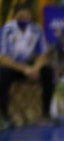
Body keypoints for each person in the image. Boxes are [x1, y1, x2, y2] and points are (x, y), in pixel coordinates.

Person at [0, 0, 55, 129]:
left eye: (27, 16)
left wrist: (35, 68)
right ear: (15, 16)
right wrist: (24, 69)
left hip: (30, 67)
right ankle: (5, 116)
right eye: (21, 16)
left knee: (48, 71)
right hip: (13, 67)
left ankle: (46, 113)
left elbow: (42, 54)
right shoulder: (6, 30)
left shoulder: (36, 29)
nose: (24, 18)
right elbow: (2, 58)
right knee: (2, 74)